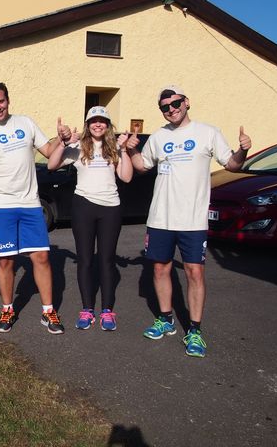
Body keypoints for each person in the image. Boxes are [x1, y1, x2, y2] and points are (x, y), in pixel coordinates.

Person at [126, 85, 251, 358]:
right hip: (160, 217)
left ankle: (194, 330)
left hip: (192, 220)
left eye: (175, 103)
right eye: (165, 107)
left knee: (194, 273)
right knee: (160, 270)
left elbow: (232, 165)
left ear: (187, 102)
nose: (171, 109)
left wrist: (242, 150)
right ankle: (166, 319)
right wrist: (131, 150)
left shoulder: (208, 132)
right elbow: (142, 166)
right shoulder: (159, 136)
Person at [0, 81, 65, 334]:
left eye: (1, 101)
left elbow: (48, 150)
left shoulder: (25, 122)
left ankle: (48, 312)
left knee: (42, 257)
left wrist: (62, 139)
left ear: (8, 100)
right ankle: (7, 308)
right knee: (5, 261)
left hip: (29, 203)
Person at [47, 106, 132, 331]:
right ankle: (87, 309)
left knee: (106, 260)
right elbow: (51, 165)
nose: (98, 124)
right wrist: (63, 143)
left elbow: (126, 176)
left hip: (110, 208)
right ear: (87, 124)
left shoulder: (114, 147)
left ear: (108, 125)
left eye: (102, 121)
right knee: (85, 259)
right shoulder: (77, 147)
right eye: (93, 121)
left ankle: (106, 311)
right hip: (83, 206)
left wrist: (124, 151)